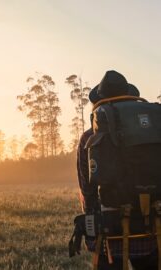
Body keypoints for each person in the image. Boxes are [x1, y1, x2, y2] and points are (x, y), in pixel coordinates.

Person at [77, 70, 158, 269]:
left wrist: (92, 232)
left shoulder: (89, 138)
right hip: (152, 230)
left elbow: (87, 189)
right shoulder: (154, 131)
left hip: (109, 234)